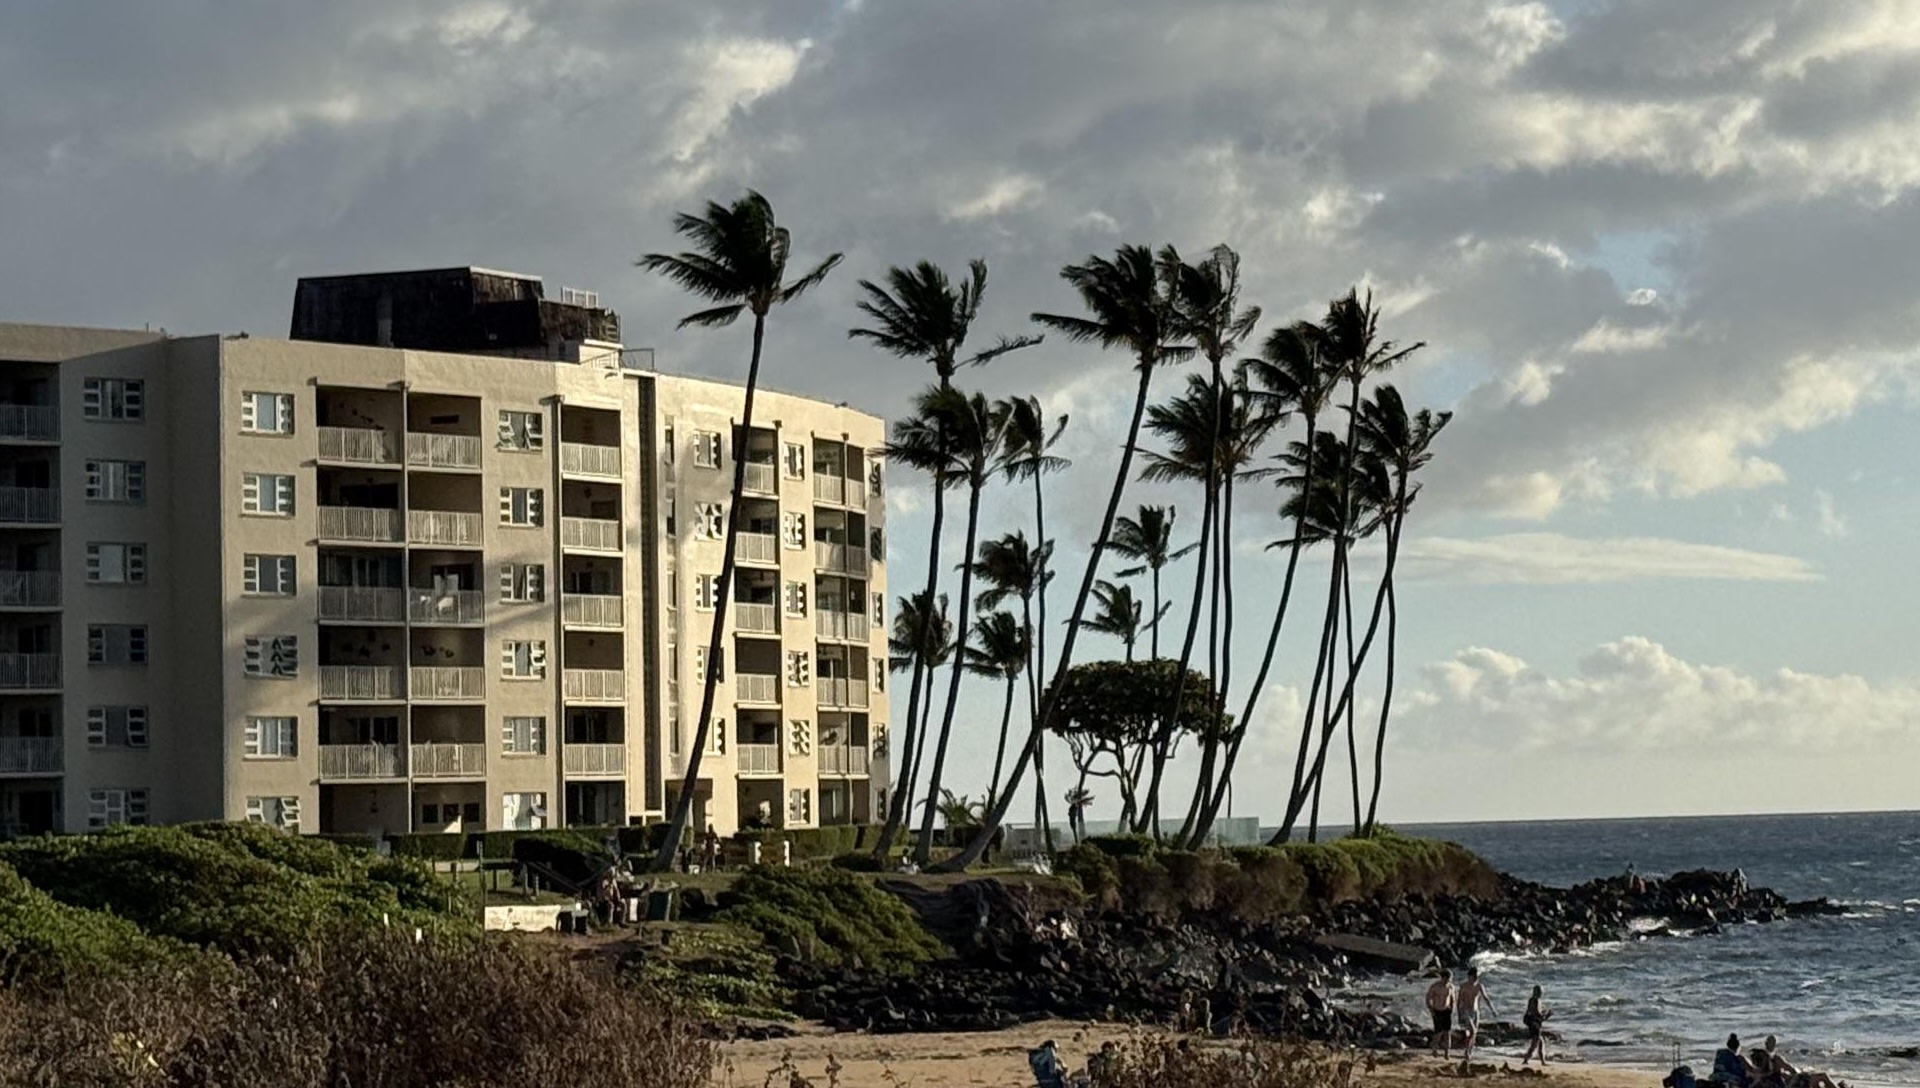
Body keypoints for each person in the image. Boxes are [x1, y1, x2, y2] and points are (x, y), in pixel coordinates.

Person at [1761, 1036, 1841, 1088]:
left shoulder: (1761, 1058)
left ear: (1765, 1044)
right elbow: (1792, 1070)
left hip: (1784, 1084)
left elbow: (1772, 1075)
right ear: (1775, 1046)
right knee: (1823, 1076)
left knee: (1814, 1081)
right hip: (1791, 1085)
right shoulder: (1776, 1058)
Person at [1456, 966, 1495, 1062]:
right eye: (1473, 977)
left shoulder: (1479, 986)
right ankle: (1466, 1052)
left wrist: (1493, 1010)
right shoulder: (1463, 986)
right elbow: (1459, 1001)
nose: (1475, 979)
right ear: (1469, 976)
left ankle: (1469, 1052)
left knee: (1473, 1034)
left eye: (1476, 977)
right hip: (1466, 1011)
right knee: (1472, 1031)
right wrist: (1459, 1014)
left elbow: (1486, 998)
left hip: (1475, 1012)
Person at [1425, 970, 1457, 1058]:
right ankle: (1435, 1049)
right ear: (1442, 978)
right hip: (1437, 1010)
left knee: (1447, 1032)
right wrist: (1431, 1010)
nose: (1448, 981)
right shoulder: (1435, 987)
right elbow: (1428, 998)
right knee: (1438, 1032)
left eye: (1450, 980)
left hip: (1446, 1010)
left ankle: (1447, 1052)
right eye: (1446, 980)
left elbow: (1453, 999)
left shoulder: (1451, 987)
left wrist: (1452, 1009)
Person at [1521, 984, 1551, 1066]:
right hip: (1535, 1024)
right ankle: (1526, 1059)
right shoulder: (1536, 1001)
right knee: (1535, 1043)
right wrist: (1547, 1015)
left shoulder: (1531, 1000)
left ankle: (1542, 1061)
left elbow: (1531, 1011)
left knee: (1540, 1042)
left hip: (1532, 1023)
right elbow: (1537, 1013)